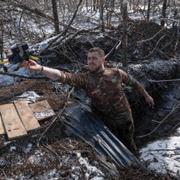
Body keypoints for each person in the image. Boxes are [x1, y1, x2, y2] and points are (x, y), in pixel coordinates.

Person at [23, 47, 154, 152]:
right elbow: (62, 76)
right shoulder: (85, 79)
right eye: (89, 58)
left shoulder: (116, 73)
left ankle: (134, 158)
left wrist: (146, 95)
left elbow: (134, 83)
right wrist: (41, 68)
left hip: (124, 117)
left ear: (102, 59)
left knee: (128, 142)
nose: (90, 61)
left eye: (94, 58)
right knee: (112, 145)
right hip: (104, 120)